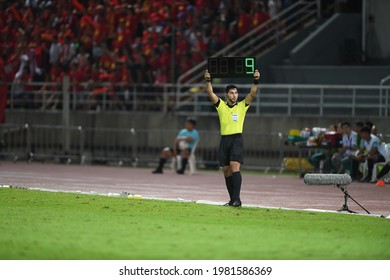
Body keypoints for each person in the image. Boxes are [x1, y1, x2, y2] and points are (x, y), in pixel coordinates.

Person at [204, 68, 260, 207]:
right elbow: (210, 93)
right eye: (231, 93)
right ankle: (232, 200)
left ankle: (237, 199)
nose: (234, 95)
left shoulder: (242, 106)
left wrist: (256, 80)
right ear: (226, 94)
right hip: (225, 140)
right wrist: (208, 80)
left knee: (235, 167)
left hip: (236, 139)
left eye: (236, 93)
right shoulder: (221, 106)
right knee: (226, 171)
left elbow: (252, 93)